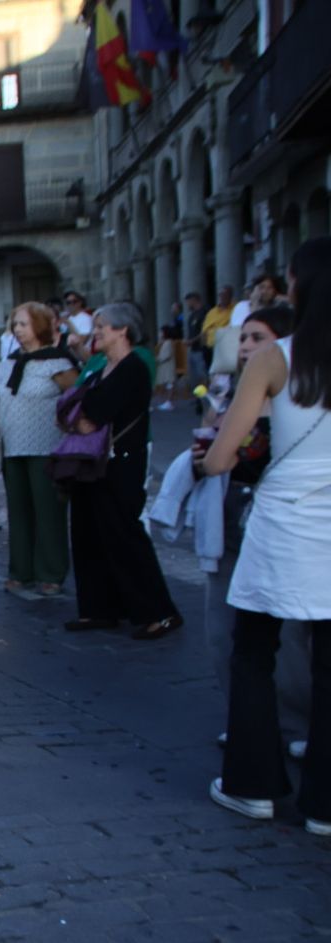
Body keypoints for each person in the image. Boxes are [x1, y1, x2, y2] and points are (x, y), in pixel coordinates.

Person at [203, 236, 331, 836]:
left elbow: (224, 455)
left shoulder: (275, 357)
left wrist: (213, 460)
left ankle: (252, 784)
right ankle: (325, 805)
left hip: (285, 523)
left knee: (254, 651)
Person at [63, 302, 181, 639]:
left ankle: (158, 610)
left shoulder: (134, 366)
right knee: (87, 531)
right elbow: (75, 408)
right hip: (93, 461)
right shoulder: (101, 366)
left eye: (102, 326)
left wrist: (82, 411)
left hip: (121, 459)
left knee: (123, 532)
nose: (95, 332)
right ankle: (100, 608)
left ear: (122, 330)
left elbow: (93, 411)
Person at [0, 302, 76, 595]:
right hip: (12, 446)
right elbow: (1, 402)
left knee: (48, 511)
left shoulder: (58, 362)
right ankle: (21, 570)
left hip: (45, 446)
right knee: (18, 511)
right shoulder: (6, 364)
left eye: (24, 324)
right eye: (15, 324)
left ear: (39, 326)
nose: (17, 329)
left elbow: (76, 398)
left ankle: (51, 572)